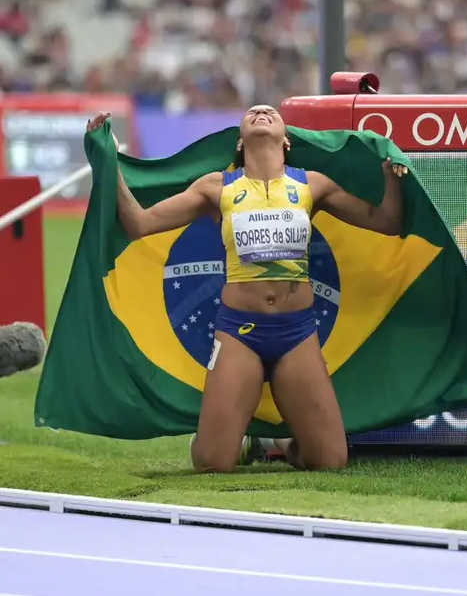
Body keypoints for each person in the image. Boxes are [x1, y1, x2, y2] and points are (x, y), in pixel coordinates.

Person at [86, 106, 408, 472]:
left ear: (287, 140)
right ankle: (239, 439)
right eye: (253, 112)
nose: (260, 111)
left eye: (270, 111)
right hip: (239, 332)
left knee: (330, 461)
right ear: (240, 141)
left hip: (297, 332)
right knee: (212, 464)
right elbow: (140, 224)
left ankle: (277, 441)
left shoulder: (312, 184)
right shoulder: (217, 187)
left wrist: (391, 174)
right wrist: (108, 159)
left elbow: (387, 221)